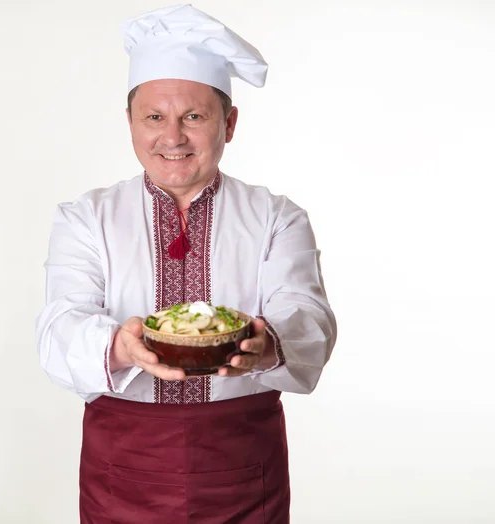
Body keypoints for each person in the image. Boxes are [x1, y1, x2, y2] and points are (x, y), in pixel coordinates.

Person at [35, 4, 337, 523]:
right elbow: (59, 328)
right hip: (122, 464)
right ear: (129, 121)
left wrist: (268, 347)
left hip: (243, 463)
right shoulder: (86, 218)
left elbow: (309, 320)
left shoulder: (277, 218)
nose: (171, 137)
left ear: (230, 122)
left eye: (194, 116)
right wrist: (119, 346)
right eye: (154, 116)